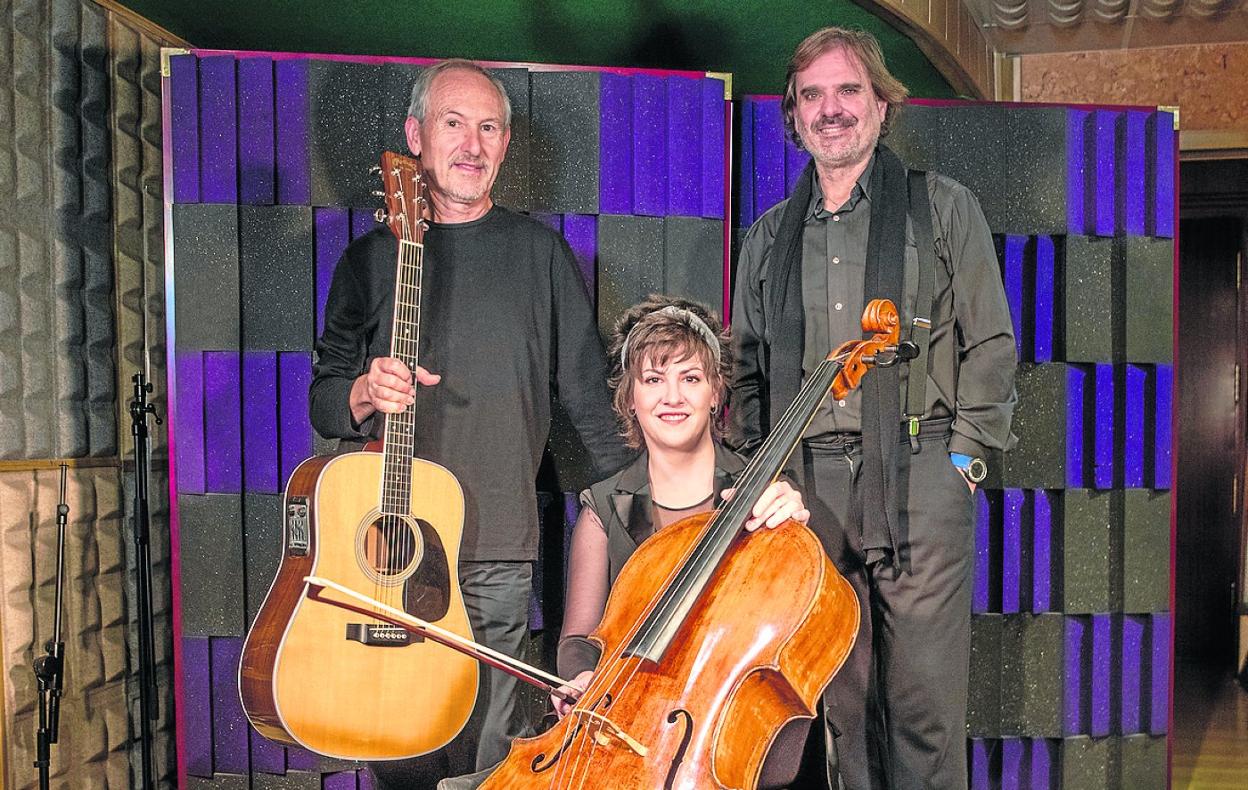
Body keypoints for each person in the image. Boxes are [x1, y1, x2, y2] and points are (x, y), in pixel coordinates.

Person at [309, 59, 633, 787]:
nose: (472, 143)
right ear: (416, 135)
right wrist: (365, 389)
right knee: (399, 743)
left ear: (506, 143)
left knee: (493, 752)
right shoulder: (369, 261)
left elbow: (588, 400)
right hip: (388, 546)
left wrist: (656, 508)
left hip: (496, 545)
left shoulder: (540, 256)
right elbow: (324, 396)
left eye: (489, 127)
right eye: (454, 124)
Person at [729, 27, 1018, 790]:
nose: (832, 109)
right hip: (808, 492)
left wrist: (965, 459)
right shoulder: (766, 239)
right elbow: (747, 371)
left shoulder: (942, 207)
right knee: (844, 709)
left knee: (923, 706)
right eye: (812, 96)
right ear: (793, 116)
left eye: (849, 90)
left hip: (922, 473)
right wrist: (760, 477)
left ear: (883, 106)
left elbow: (990, 341)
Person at [551, 295, 813, 788]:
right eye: (654, 380)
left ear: (716, 393)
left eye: (690, 378)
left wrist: (793, 533)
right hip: (632, 728)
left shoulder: (763, 498)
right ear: (630, 397)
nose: (672, 397)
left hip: (734, 734)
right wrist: (584, 678)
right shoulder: (605, 509)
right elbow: (578, 639)